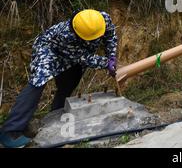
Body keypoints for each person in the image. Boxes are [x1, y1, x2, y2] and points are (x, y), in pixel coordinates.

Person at [0, 9, 118, 148]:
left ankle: (56, 117)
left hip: (76, 53)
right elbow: (83, 58)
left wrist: (112, 56)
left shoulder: (101, 20)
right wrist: (106, 63)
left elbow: (111, 36)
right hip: (49, 50)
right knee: (38, 82)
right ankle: (11, 131)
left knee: (69, 83)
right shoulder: (66, 35)